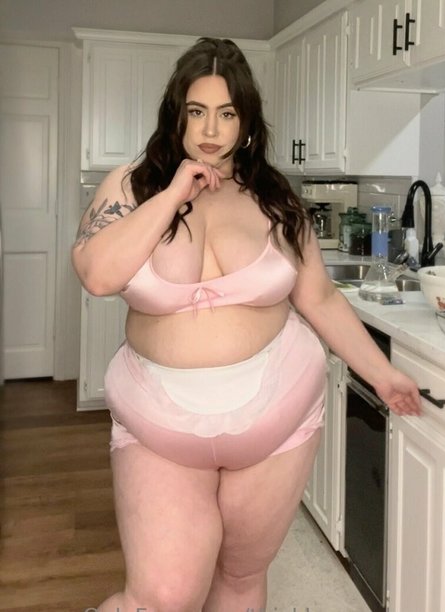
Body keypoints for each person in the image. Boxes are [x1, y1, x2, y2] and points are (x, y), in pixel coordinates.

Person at [72, 37, 421, 612]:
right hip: (160, 424)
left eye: (227, 113)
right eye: (197, 111)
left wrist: (383, 376)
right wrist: (174, 192)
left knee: (239, 576)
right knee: (161, 596)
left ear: (247, 122)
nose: (212, 129)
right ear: (176, 113)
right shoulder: (131, 187)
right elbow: (96, 274)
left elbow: (319, 298)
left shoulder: (275, 198)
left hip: (276, 418)